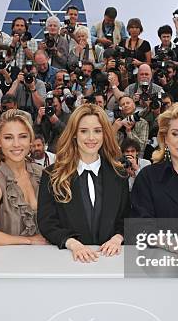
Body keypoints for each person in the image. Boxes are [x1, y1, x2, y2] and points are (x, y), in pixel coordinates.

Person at [38, 104, 129, 262]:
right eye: (84, 131)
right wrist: (72, 244)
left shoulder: (118, 174)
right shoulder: (52, 174)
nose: (91, 138)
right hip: (68, 259)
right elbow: (47, 222)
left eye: (97, 131)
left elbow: (126, 216)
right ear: (74, 134)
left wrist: (117, 238)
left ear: (104, 134)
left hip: (110, 260)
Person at [0, 110, 46, 245]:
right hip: (8, 262)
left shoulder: (42, 174)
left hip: (45, 259)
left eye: (22, 136)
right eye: (8, 137)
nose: (16, 144)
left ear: (31, 140)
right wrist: (29, 241)